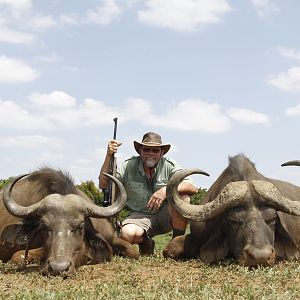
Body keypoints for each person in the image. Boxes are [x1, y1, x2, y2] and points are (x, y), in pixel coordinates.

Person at [98, 132, 198, 255]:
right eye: (146, 149)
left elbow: (192, 187)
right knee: (127, 234)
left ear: (162, 153)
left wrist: (165, 191)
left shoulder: (170, 165)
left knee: (183, 197)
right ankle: (146, 242)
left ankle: (175, 245)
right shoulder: (128, 165)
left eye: (155, 150)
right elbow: (103, 185)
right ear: (140, 151)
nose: (150, 153)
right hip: (139, 216)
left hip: (166, 215)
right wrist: (109, 156)